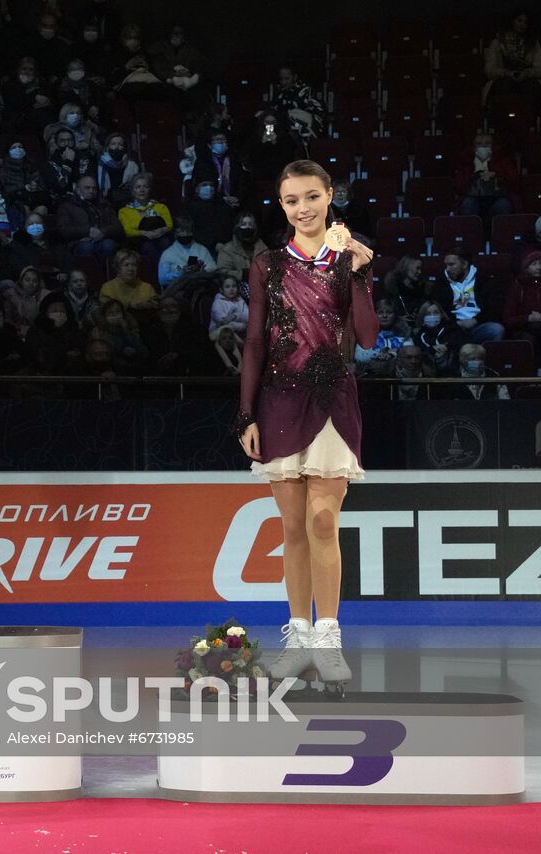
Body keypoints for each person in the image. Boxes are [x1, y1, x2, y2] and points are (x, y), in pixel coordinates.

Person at [236, 160, 376, 697]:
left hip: (332, 403)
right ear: (282, 205)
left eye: (312, 196)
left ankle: (329, 640)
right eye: (292, 200)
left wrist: (361, 274)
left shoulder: (349, 259)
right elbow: (254, 342)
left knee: (322, 523)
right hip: (276, 403)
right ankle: (297, 641)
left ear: (329, 195)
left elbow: (366, 338)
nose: (304, 207)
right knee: (292, 528)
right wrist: (245, 413)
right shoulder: (267, 264)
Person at [442, 251, 506, 344]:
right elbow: (439, 308)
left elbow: (494, 309)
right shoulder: (442, 282)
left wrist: (475, 321)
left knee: (496, 329)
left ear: (465, 264)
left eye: (451, 264)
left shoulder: (484, 281)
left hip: (478, 325)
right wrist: (454, 324)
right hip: (453, 328)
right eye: (446, 265)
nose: (447, 269)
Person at [118, 173, 173, 257]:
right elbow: (128, 231)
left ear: (149, 189)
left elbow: (169, 225)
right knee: (148, 247)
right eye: (138, 187)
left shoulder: (161, 207)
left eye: (145, 187)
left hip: (161, 237)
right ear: (133, 191)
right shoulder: (124, 211)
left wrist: (160, 231)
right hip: (139, 241)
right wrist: (145, 233)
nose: (142, 190)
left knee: (165, 242)